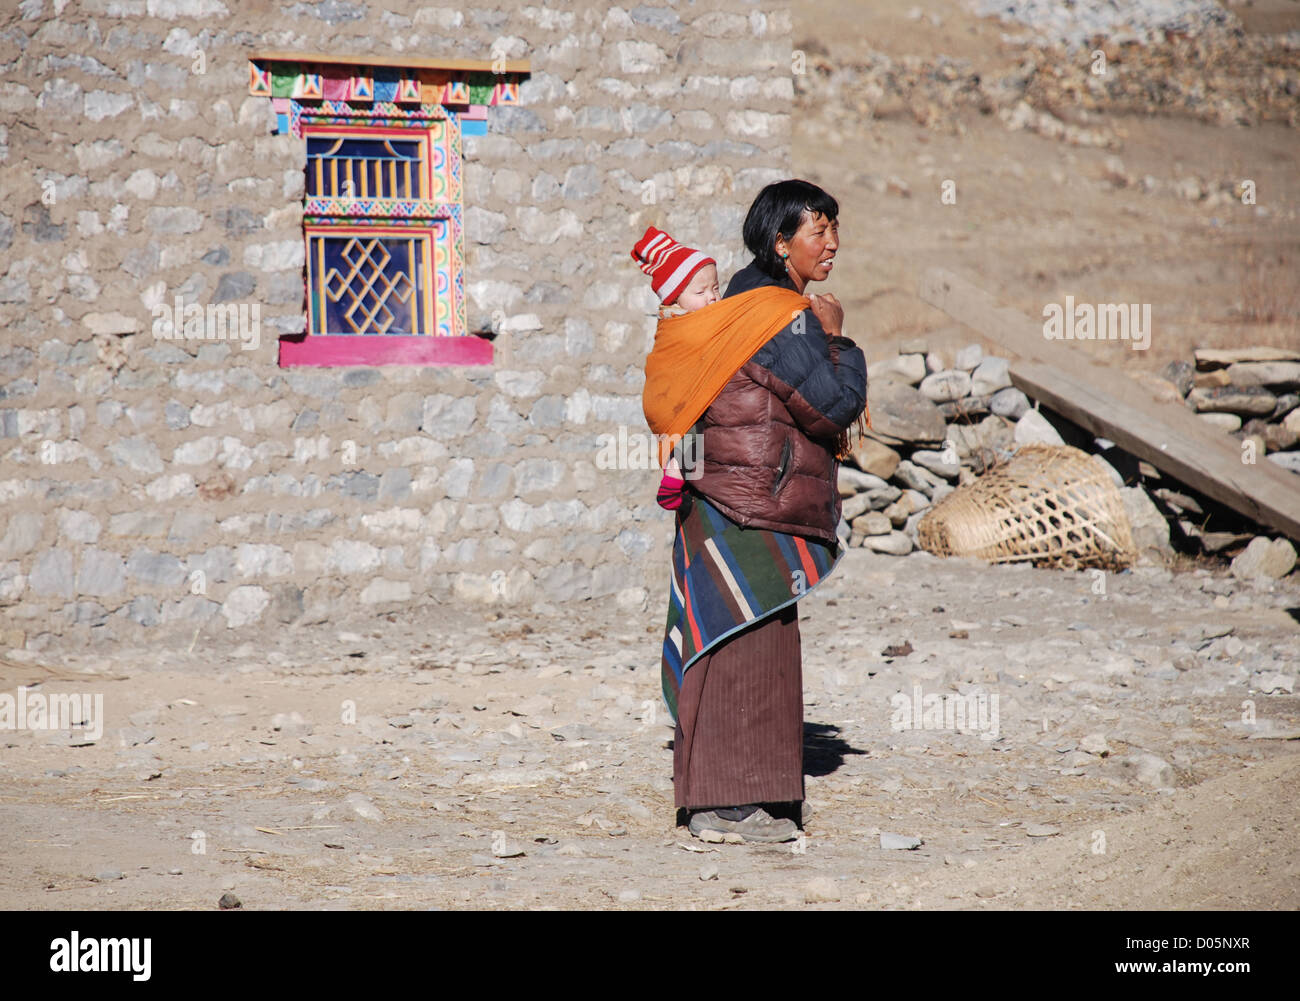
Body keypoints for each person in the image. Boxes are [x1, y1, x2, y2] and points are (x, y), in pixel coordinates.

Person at [640, 180, 869, 843]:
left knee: (738, 644)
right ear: (779, 242)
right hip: (750, 504)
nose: (831, 243)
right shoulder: (779, 316)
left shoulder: (736, 304)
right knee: (745, 646)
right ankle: (724, 805)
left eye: (833, 229)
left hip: (721, 501)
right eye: (816, 230)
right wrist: (839, 339)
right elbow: (832, 406)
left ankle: (751, 802)